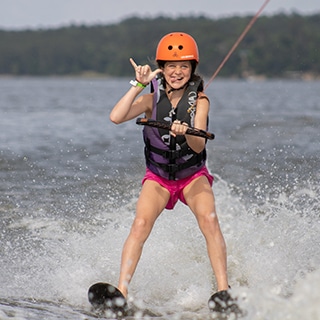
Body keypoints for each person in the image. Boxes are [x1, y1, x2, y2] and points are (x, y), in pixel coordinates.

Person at [109, 32, 229, 299]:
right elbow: (116, 117)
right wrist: (138, 85)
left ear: (192, 70)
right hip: (159, 176)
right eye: (171, 66)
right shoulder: (151, 100)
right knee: (140, 224)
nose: (177, 72)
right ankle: (121, 290)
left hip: (192, 176)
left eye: (184, 66)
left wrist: (186, 132)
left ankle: (223, 291)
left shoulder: (200, 101)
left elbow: (199, 147)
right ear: (161, 70)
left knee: (209, 220)